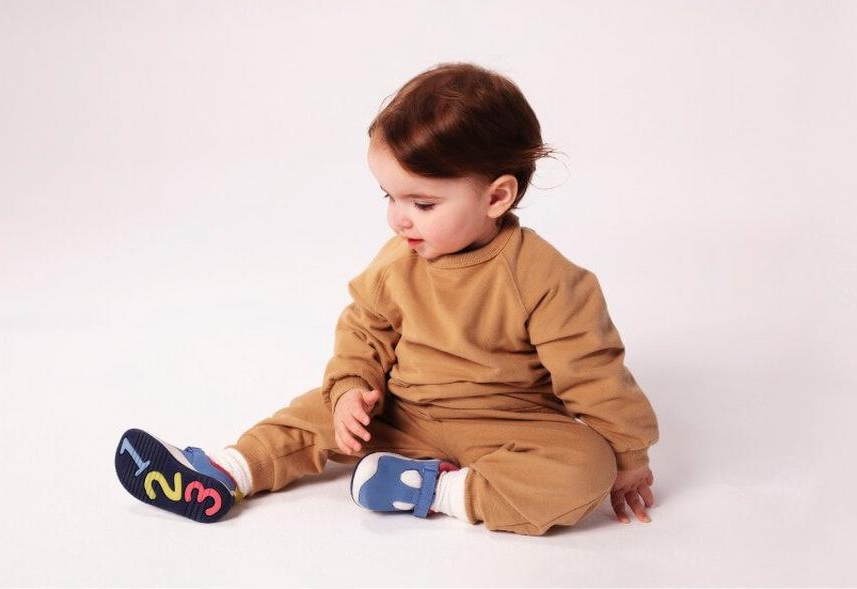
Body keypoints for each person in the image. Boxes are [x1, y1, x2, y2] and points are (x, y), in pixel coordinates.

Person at [114, 62, 660, 535]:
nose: (399, 218)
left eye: (422, 203)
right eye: (390, 196)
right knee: (314, 412)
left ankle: (435, 491)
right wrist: (351, 388)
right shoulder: (399, 260)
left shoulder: (546, 279)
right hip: (404, 411)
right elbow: (365, 328)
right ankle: (225, 472)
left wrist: (629, 457)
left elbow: (593, 375)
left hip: (507, 426)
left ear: (497, 196)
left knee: (586, 466)